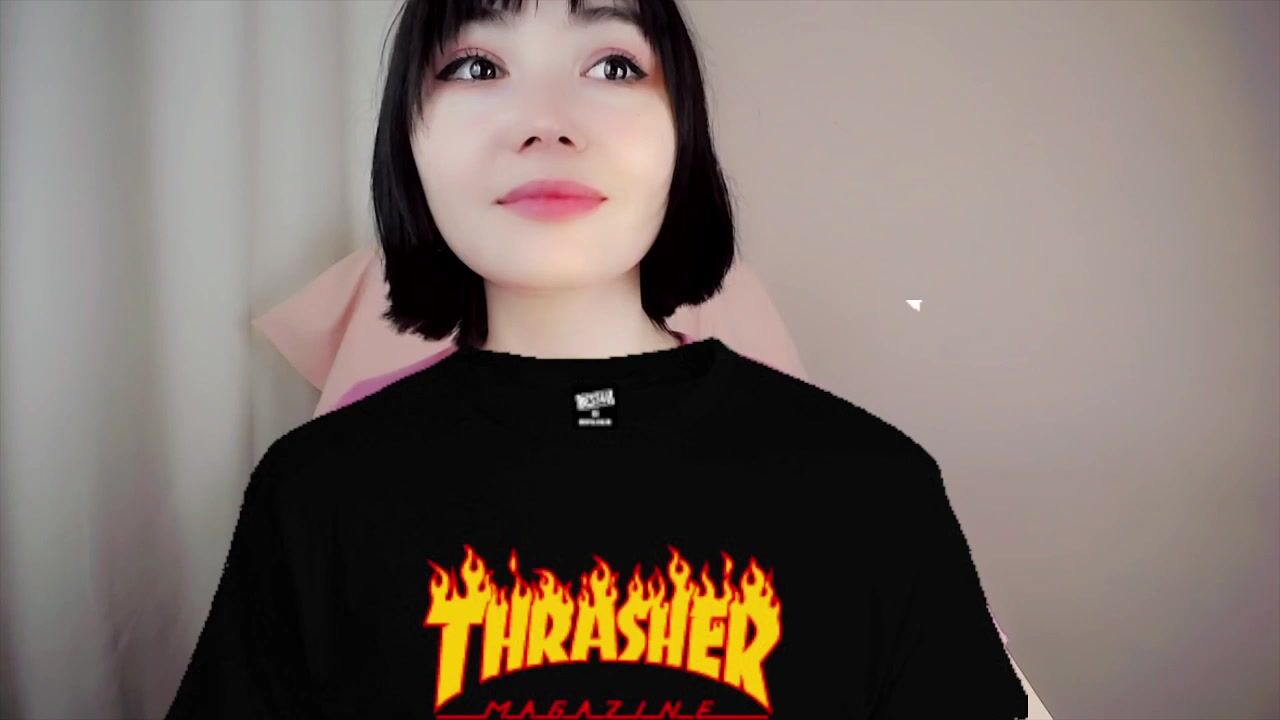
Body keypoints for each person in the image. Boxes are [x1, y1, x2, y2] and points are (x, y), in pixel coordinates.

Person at [165, 0, 1029, 717]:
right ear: (408, 141)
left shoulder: (873, 487)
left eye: (613, 66)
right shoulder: (316, 492)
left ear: (682, 135)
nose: (546, 124)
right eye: (476, 66)